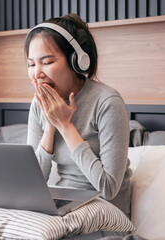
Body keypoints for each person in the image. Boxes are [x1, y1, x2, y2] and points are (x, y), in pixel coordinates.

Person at [25, 13, 132, 222]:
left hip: (105, 212)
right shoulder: (38, 105)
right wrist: (50, 125)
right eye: (31, 64)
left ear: (77, 61)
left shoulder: (107, 101)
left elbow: (108, 188)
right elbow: (32, 182)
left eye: (46, 62)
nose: (37, 73)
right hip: (62, 207)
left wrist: (65, 126)